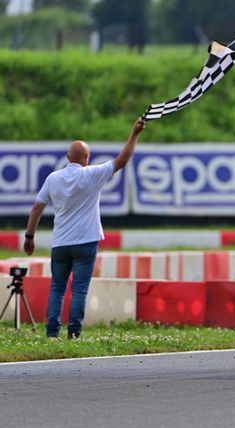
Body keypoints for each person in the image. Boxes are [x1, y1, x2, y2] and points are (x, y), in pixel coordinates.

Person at [23, 118, 146, 340]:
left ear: (68, 157)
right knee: (79, 288)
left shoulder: (53, 179)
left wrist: (29, 236)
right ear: (86, 158)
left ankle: (52, 333)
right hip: (86, 242)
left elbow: (36, 207)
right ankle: (74, 333)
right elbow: (123, 160)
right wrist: (134, 134)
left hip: (60, 243)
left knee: (57, 288)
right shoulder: (91, 174)